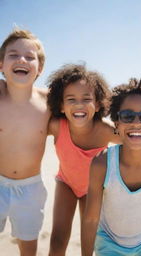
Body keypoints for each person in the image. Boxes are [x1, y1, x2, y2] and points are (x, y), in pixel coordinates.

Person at [81, 78, 141, 256]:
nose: (136, 122)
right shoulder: (102, 163)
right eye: (127, 116)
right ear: (117, 124)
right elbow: (90, 219)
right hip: (108, 243)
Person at [47, 63, 121, 255]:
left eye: (86, 99)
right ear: (61, 106)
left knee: (89, 243)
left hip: (94, 189)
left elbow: (135, 137)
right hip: (66, 184)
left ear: (97, 104)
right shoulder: (56, 126)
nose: (79, 104)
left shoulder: (106, 130)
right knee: (57, 240)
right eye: (71, 99)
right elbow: (29, 122)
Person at [0, 28, 50, 256]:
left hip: (30, 188)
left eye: (30, 57)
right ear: (1, 64)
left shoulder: (49, 101)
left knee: (28, 246)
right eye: (13, 55)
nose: (22, 59)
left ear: (39, 69)